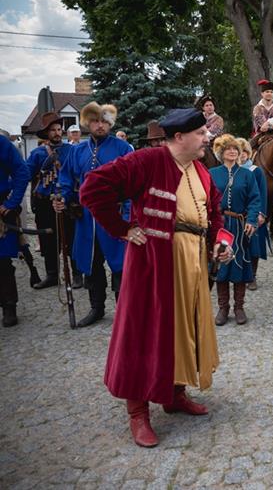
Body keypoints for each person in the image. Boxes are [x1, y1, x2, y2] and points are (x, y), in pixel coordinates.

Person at [79, 107, 230, 448]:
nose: (207, 138)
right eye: (200, 133)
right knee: (144, 332)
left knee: (184, 327)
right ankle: (138, 412)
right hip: (154, 264)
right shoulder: (147, 161)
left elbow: (215, 212)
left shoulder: (201, 170)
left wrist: (220, 242)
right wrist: (122, 228)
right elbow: (93, 187)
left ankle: (174, 394)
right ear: (179, 137)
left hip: (193, 261)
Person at [54, 102, 133, 327]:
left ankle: (124, 311)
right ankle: (96, 308)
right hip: (87, 218)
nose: (100, 126)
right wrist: (62, 198)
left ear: (110, 124)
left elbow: (133, 183)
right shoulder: (77, 151)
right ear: (87, 123)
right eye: (96, 121)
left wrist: (127, 216)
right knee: (91, 262)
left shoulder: (122, 148)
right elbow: (66, 179)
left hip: (115, 215)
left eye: (104, 122)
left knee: (120, 264)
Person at [209, 134, 261, 326]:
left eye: (235, 149)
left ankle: (239, 307)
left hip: (240, 226)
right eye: (228, 149)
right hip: (220, 225)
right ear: (221, 152)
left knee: (240, 264)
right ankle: (223, 308)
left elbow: (255, 199)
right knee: (221, 264)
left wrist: (252, 220)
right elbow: (207, 199)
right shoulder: (212, 173)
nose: (232, 151)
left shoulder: (247, 174)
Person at [25, 111, 81, 289]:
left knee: (72, 239)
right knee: (48, 241)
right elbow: (24, 174)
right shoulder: (37, 154)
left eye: (58, 129)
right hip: (45, 204)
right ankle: (52, 275)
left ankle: (77, 274)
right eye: (53, 130)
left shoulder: (72, 150)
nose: (57, 133)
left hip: (68, 202)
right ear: (46, 133)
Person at [0, 133, 31, 327]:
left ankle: (9, 305)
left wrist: (12, 202)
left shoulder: (1, 143)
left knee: (2, 262)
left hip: (0, 209)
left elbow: (22, 171)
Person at [237, 138, 268, 290]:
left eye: (245, 151)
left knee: (254, 246)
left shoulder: (256, 171)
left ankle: (252, 276)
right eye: (239, 151)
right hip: (237, 215)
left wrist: (261, 213)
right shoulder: (232, 171)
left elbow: (262, 193)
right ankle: (238, 274)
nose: (242, 154)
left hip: (253, 214)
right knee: (237, 245)